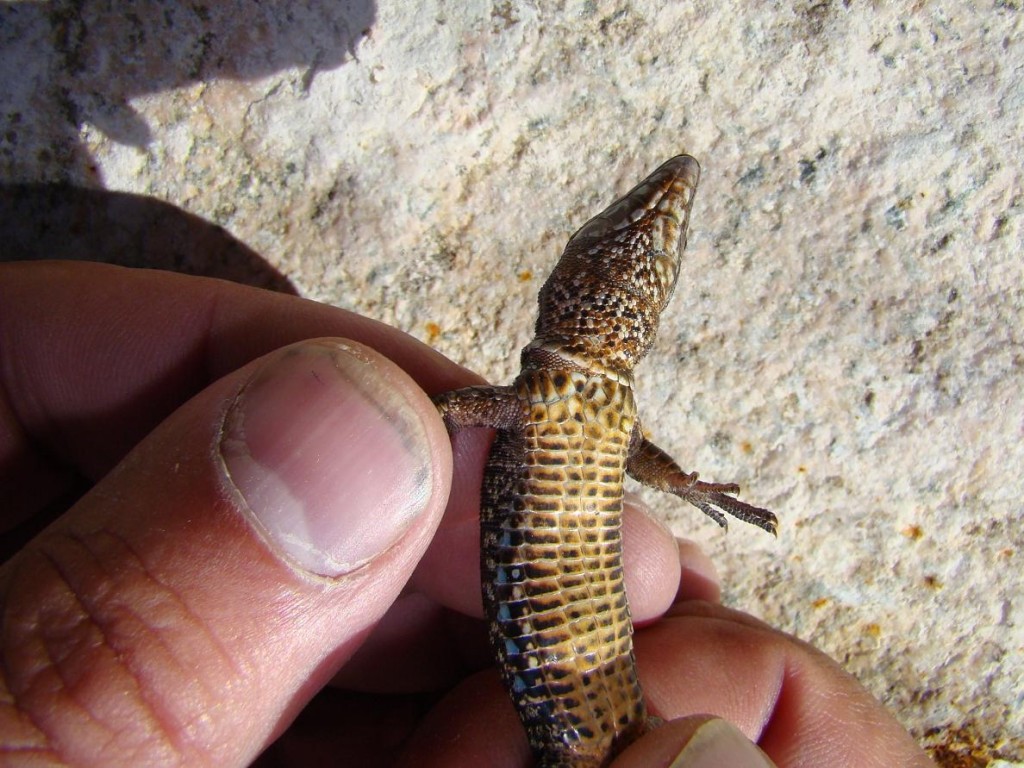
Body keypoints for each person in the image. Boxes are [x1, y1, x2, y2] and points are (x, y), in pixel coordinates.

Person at [0, 261, 933, 767]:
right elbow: (457, 410)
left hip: (580, 698)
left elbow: (616, 452)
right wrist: (409, 426)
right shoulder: (543, 394)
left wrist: (685, 486)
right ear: (569, 297)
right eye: (611, 275)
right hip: (587, 690)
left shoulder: (590, 404)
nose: (636, 278)